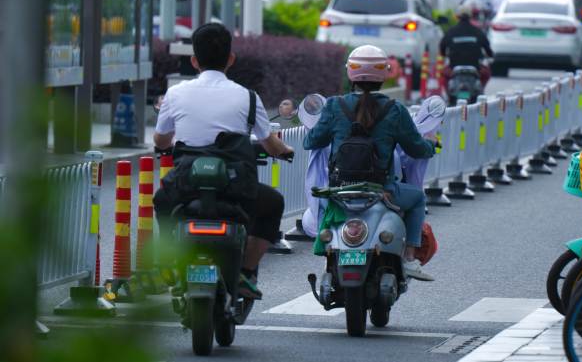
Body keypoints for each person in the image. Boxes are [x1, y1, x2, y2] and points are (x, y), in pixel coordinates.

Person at [153, 23, 294, 300]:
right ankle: (245, 272)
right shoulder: (248, 98)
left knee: (162, 200)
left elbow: (160, 141)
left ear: (194, 60)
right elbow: (271, 144)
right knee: (273, 203)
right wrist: (286, 150)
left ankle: (169, 260)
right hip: (235, 187)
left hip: (186, 184)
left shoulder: (176, 94)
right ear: (231, 59)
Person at [303, 45, 437, 281]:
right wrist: (431, 145)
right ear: (385, 73)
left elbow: (311, 142)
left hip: (339, 190)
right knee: (417, 198)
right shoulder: (395, 110)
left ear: (350, 73)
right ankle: (409, 257)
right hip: (383, 190)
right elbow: (416, 148)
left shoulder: (334, 106)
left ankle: (330, 260)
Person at [439, 5, 494, 87]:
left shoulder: (451, 31)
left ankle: (449, 94)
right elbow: (487, 47)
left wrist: (444, 54)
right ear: (470, 16)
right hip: (475, 67)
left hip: (453, 66)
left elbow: (442, 46)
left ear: (457, 16)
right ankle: (480, 90)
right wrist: (490, 55)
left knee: (443, 74)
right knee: (486, 73)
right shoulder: (477, 31)